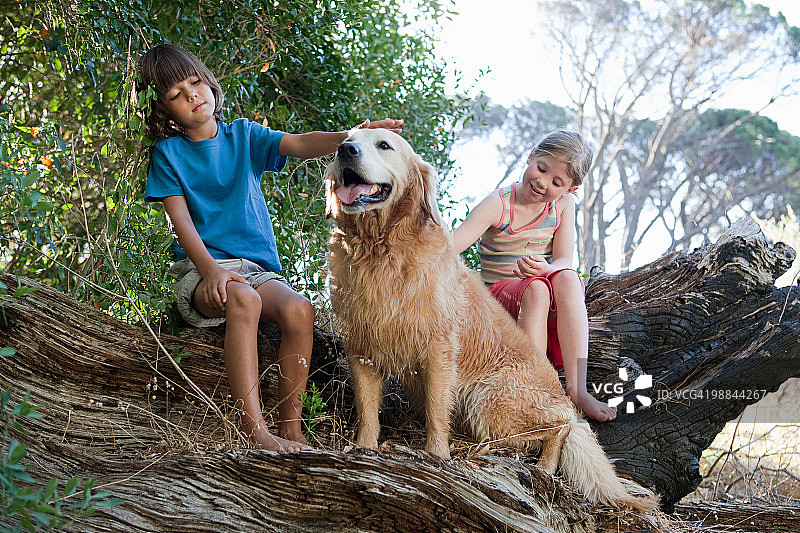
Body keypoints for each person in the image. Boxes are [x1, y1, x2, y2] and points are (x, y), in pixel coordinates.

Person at [137, 43, 403, 451]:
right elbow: (181, 222)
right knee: (245, 302)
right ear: (164, 110)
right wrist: (210, 271)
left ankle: (291, 430)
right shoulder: (168, 154)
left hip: (258, 270)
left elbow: (298, 143)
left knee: (300, 309)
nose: (192, 96)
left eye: (195, 83)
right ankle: (254, 431)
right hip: (201, 270)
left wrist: (353, 137)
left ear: (209, 83)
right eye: (176, 95)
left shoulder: (243, 136)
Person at [452, 130, 616, 422]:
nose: (542, 183)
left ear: (571, 189)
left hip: (538, 290)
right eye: (541, 169)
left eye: (557, 182)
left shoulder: (563, 206)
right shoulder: (498, 205)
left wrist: (547, 268)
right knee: (538, 290)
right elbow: (452, 246)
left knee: (566, 277)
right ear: (531, 156)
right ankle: (539, 384)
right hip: (499, 300)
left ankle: (577, 388)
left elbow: (565, 258)